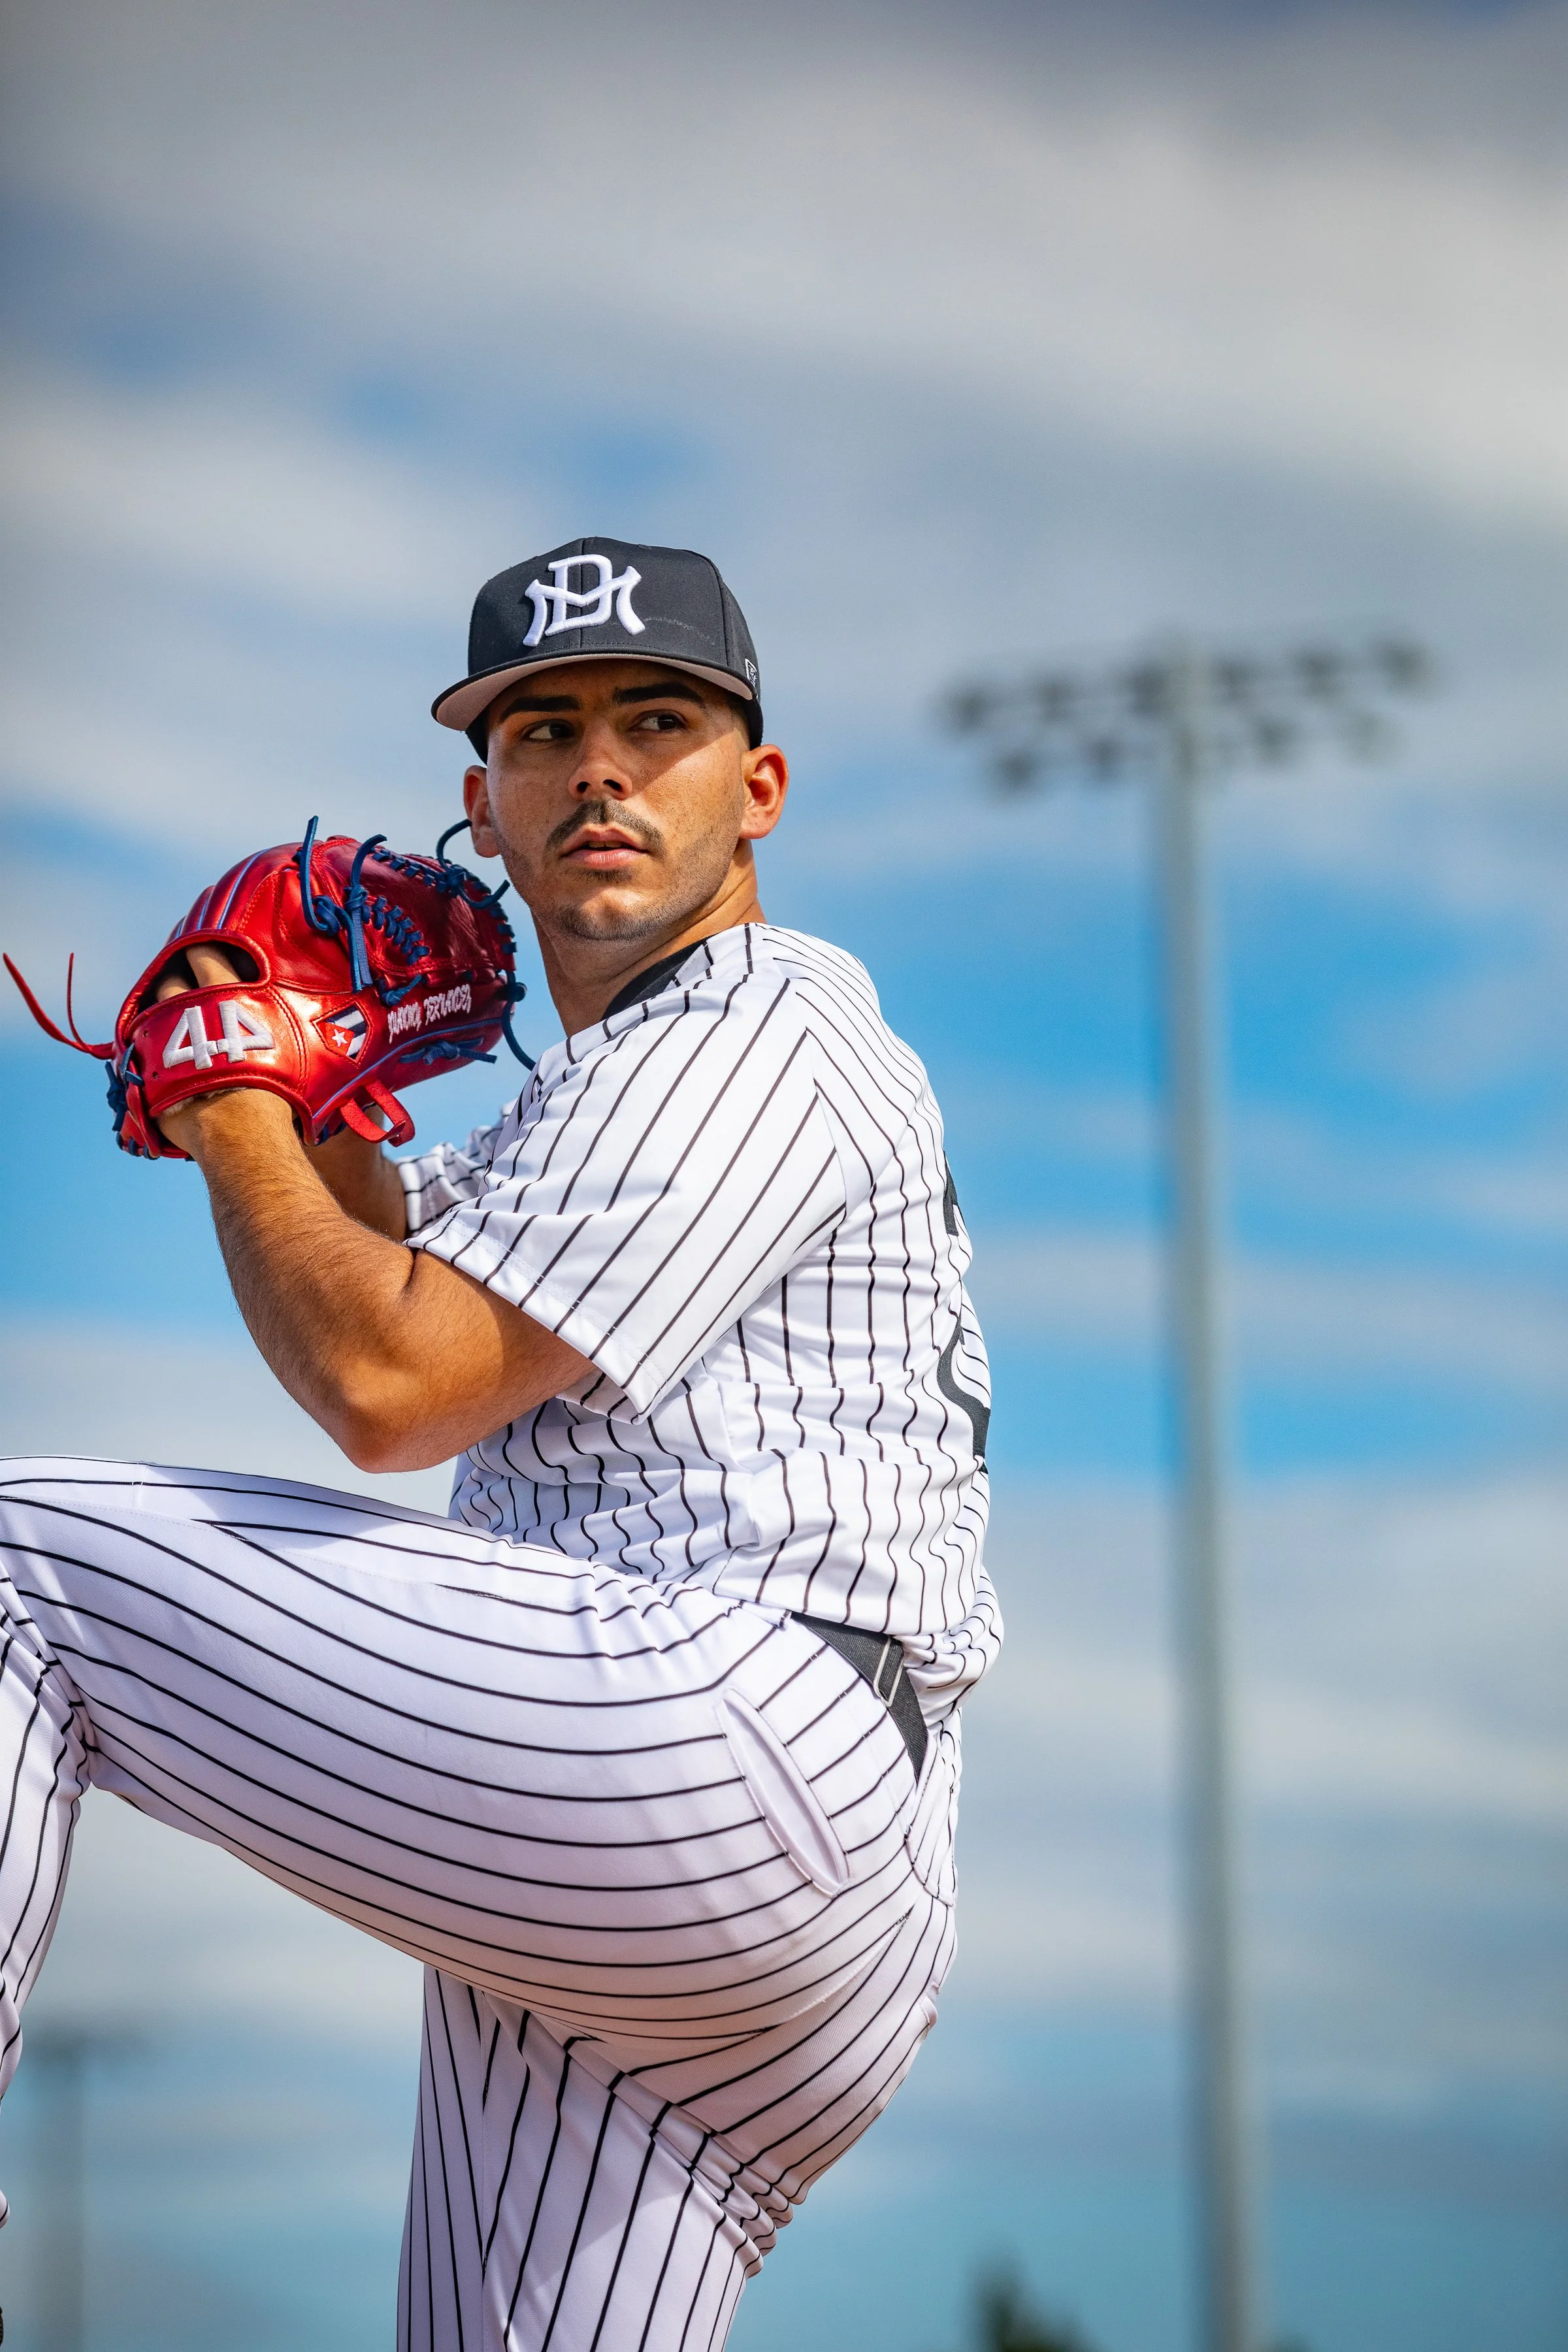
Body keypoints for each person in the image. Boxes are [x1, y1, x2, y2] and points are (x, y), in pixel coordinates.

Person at [0, 538, 1000, 2352]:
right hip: (694, 1882)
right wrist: (318, 1109)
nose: (599, 767)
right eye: (544, 731)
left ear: (756, 787)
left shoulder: (759, 1031)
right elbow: (398, 1282)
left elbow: (388, 1380)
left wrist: (232, 1091)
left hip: (732, 1750)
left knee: (16, 1570)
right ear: (487, 803)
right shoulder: (613, 1096)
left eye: (657, 721)